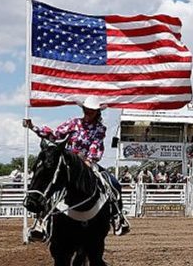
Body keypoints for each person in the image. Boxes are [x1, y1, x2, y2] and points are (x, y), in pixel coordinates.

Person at [23, 96, 130, 240]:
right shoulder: (73, 123)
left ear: (97, 112)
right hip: (68, 162)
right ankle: (40, 221)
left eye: (91, 110)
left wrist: (89, 160)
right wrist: (33, 127)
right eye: (86, 109)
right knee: (51, 182)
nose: (88, 112)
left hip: (87, 162)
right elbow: (55, 136)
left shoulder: (100, 128)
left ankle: (118, 217)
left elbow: (95, 145)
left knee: (113, 182)